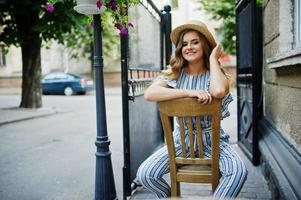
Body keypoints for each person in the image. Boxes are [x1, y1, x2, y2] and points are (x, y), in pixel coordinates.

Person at [135, 20, 247, 199]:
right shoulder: (174, 74)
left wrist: (212, 59)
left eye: (195, 42)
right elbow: (150, 93)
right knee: (145, 175)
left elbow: (218, 91)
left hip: (214, 143)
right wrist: (189, 92)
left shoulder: (215, 74)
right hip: (180, 144)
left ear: (204, 45)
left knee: (238, 172)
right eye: (185, 44)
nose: (189, 47)